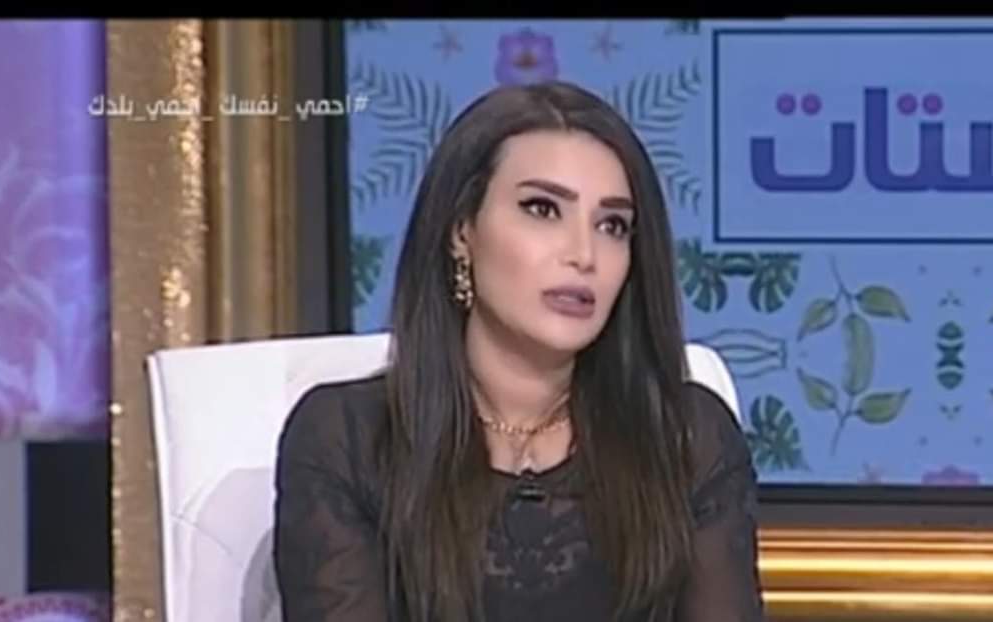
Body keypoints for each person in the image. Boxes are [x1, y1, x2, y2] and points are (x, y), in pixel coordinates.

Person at [272, 79, 765, 622]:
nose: (584, 255)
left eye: (612, 225)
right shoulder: (347, 439)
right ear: (462, 231)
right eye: (542, 209)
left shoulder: (687, 439)